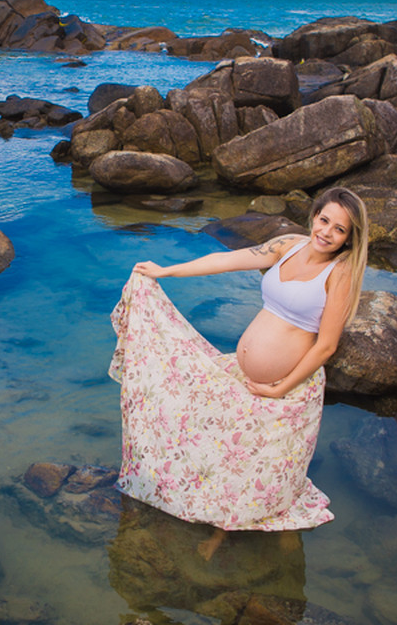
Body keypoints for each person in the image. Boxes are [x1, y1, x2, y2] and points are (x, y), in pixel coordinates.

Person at [109, 186, 369, 539]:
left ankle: (229, 532)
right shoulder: (289, 245)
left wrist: (280, 388)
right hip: (248, 374)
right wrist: (167, 271)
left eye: (339, 229)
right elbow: (225, 261)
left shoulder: (339, 273)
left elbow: (326, 346)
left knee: (256, 467)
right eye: (324, 220)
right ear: (314, 216)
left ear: (349, 239)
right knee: (205, 431)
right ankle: (221, 523)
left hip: (286, 388)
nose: (326, 232)